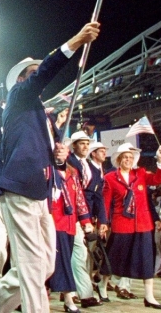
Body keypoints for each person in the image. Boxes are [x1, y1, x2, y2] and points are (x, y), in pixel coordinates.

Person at [0, 22, 100, 313]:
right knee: (33, 266)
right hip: (19, 188)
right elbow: (43, 74)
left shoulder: (37, 114)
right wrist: (75, 41)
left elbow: (45, 156)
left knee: (46, 263)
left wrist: (57, 156)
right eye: (31, 74)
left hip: (40, 192)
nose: (37, 77)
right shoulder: (18, 98)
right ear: (20, 81)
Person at [102, 142, 161, 309]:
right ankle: (102, 285)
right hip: (121, 224)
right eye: (125, 157)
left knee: (146, 260)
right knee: (114, 258)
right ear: (119, 159)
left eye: (131, 157)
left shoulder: (140, 174)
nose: (128, 160)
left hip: (143, 225)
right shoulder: (110, 178)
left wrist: (160, 160)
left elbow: (159, 178)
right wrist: (103, 222)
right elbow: (105, 202)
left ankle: (149, 296)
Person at [49, 141, 94, 313]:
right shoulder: (46, 171)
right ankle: (47, 300)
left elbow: (79, 198)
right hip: (51, 224)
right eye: (57, 150)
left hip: (68, 225)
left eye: (63, 150)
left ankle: (68, 300)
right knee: (50, 264)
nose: (60, 153)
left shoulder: (73, 173)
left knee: (65, 263)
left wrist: (86, 222)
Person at [64, 132, 104, 308]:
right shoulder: (67, 161)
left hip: (82, 216)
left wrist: (100, 220)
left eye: (87, 144)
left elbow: (97, 196)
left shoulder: (93, 168)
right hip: (65, 213)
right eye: (82, 143)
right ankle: (68, 293)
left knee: (80, 254)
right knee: (64, 255)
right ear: (74, 146)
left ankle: (84, 295)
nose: (86, 147)